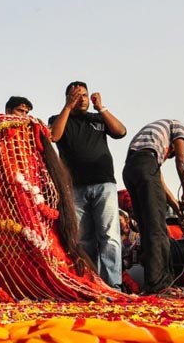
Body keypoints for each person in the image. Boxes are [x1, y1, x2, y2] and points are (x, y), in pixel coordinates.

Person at [49, 81, 127, 289]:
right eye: (76, 95)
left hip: (104, 183)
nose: (81, 99)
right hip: (75, 187)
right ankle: (91, 283)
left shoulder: (97, 119)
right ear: (68, 98)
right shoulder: (58, 119)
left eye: (84, 95)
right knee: (83, 240)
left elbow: (120, 132)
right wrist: (67, 107)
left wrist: (101, 107)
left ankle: (114, 285)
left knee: (109, 235)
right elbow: (53, 136)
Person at [122, 119, 184, 295]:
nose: (168, 156)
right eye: (171, 154)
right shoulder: (177, 126)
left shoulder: (149, 144)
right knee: (158, 229)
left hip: (130, 170)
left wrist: (177, 210)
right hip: (144, 166)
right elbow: (182, 160)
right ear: (172, 146)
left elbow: (159, 183)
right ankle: (160, 285)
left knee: (147, 227)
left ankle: (153, 282)